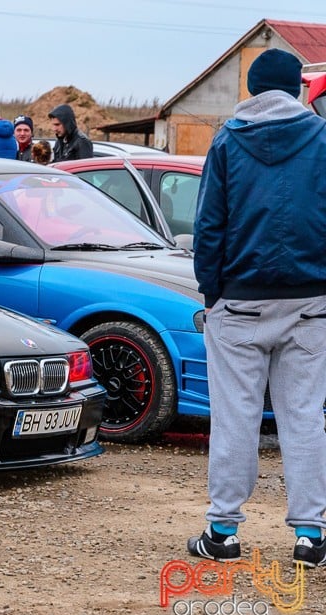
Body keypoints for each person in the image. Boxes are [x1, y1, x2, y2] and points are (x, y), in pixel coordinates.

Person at [189, 48, 326, 568]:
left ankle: (223, 531)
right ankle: (311, 536)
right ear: (297, 89)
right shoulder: (322, 138)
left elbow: (209, 227)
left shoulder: (228, 140)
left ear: (250, 89)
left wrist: (213, 293)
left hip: (240, 303)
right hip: (311, 302)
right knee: (304, 417)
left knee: (235, 418)